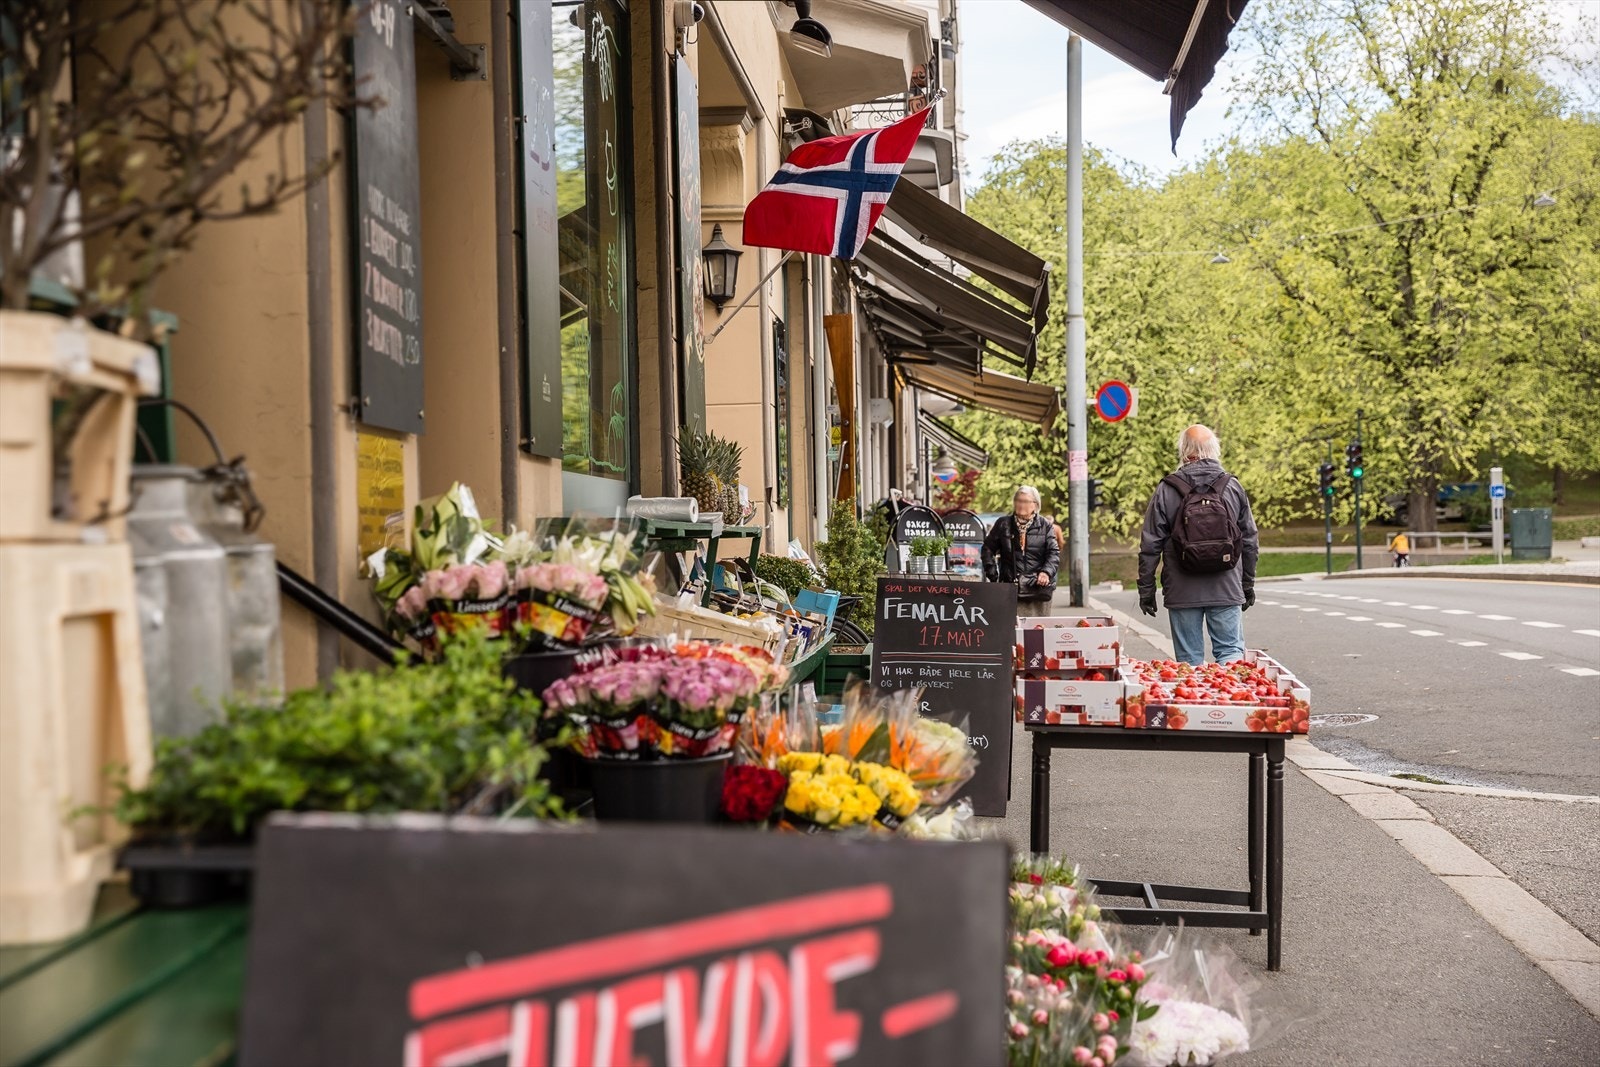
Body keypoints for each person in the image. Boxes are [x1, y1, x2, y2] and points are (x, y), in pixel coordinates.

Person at [1136, 425, 1260, 665]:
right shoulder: (1232, 486)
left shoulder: (1166, 489)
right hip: (1225, 585)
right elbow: (1250, 541)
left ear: (1184, 452)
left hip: (1182, 589)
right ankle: (1231, 700)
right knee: (1231, 654)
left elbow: (1150, 544)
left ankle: (1194, 703)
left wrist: (1146, 589)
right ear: (1214, 450)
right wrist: (1246, 584)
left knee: (1189, 662)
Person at [983, 485, 1060, 616]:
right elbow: (988, 549)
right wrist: (993, 575)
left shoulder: (1045, 525)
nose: (1020, 504)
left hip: (1038, 588)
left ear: (1035, 505)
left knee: (1037, 630)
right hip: (1011, 587)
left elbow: (1053, 552)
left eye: (1025, 501)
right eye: (1018, 500)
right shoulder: (1003, 524)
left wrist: (1046, 572)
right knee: (1013, 630)